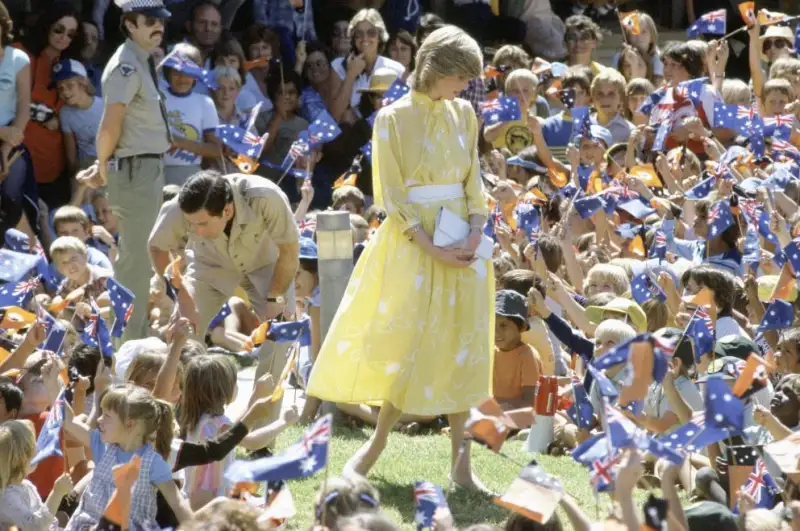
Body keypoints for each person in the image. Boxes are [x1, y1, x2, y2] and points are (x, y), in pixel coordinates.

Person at [306, 26, 492, 490]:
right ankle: (376, 444)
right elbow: (390, 194)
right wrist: (433, 248)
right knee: (411, 345)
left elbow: (474, 180)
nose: (463, 88)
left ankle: (461, 466)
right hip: (414, 248)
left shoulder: (465, 113)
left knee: (462, 348)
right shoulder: (391, 118)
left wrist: (473, 232)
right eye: (460, 78)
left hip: (462, 245)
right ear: (439, 70)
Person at [147, 170, 299, 430]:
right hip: (208, 266)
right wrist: (179, 295)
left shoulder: (266, 197)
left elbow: (289, 250)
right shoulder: (178, 208)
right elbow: (157, 246)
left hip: (266, 265)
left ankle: (257, 434)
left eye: (202, 224)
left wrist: (275, 297)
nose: (194, 229)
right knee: (182, 333)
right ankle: (179, 426)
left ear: (227, 211)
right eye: (190, 224)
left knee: (279, 337)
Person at [77, 0, 173, 342]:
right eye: (149, 20)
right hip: (134, 170)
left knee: (139, 259)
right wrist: (101, 167)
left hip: (143, 168)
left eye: (160, 20)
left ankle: (134, 338)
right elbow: (109, 125)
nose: (158, 26)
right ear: (130, 24)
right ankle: (128, 344)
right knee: (134, 263)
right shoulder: (126, 66)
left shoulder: (141, 60)